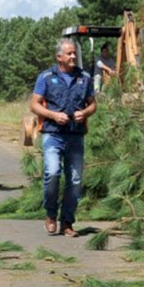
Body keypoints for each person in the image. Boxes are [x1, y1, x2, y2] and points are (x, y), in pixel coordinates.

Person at [30, 37, 97, 237]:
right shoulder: (46, 77)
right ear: (59, 57)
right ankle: (51, 214)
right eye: (69, 53)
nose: (74, 56)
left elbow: (93, 105)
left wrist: (84, 113)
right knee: (52, 172)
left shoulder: (84, 78)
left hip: (75, 136)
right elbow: (34, 105)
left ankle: (67, 222)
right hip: (53, 134)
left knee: (75, 180)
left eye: (74, 53)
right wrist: (52, 115)